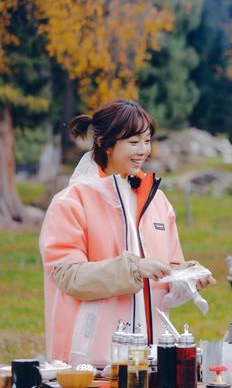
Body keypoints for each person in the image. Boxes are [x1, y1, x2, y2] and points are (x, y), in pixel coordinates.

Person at [39, 100, 215, 367]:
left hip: (151, 356)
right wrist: (134, 268)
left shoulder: (158, 201)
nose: (143, 150)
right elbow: (67, 276)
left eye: (147, 140)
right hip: (89, 362)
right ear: (106, 144)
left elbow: (170, 268)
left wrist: (187, 277)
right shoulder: (71, 201)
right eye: (133, 142)